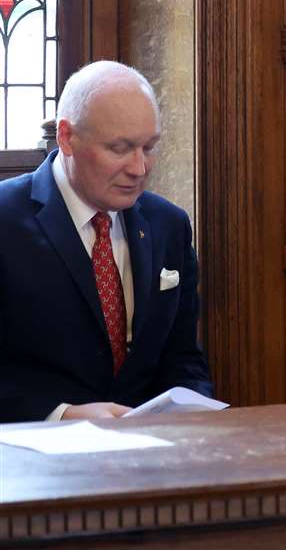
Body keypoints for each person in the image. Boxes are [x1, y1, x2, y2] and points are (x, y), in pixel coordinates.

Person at [0, 61, 214, 423]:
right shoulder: (6, 220)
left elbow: (183, 359)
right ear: (67, 138)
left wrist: (194, 412)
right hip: (30, 462)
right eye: (120, 148)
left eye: (148, 147)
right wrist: (64, 415)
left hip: (155, 459)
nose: (139, 168)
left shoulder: (169, 225)